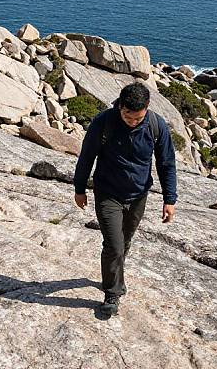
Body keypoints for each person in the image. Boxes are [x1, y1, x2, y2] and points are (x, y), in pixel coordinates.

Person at [73, 82, 177, 316]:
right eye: (128, 116)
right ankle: (112, 292)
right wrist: (80, 188)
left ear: (147, 108)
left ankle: (114, 272)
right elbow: (87, 156)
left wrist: (169, 199)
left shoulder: (155, 125)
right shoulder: (104, 122)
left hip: (138, 195)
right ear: (120, 106)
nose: (132, 122)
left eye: (137, 118)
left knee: (125, 242)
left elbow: (166, 163)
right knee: (114, 244)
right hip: (108, 193)